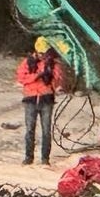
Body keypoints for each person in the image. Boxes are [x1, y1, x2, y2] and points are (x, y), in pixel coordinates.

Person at [15, 37, 67, 165]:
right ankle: (28, 157)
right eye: (40, 53)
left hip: (46, 100)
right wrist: (36, 76)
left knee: (46, 131)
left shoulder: (53, 63)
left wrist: (52, 75)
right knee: (29, 130)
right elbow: (21, 78)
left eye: (45, 53)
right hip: (30, 100)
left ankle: (45, 158)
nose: (42, 56)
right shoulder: (27, 62)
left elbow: (59, 81)